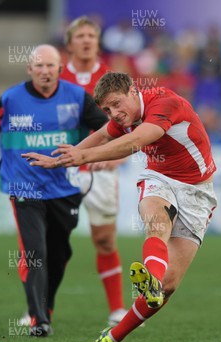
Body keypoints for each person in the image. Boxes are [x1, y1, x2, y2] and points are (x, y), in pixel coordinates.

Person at [22, 71, 218, 342]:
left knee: (168, 286)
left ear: (132, 90)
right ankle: (150, 278)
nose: (114, 114)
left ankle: (111, 338)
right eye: (107, 110)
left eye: (116, 104)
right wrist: (64, 158)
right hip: (159, 179)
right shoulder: (122, 117)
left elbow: (135, 142)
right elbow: (102, 134)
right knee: (157, 222)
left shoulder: (164, 103)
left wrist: (83, 158)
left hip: (198, 193)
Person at [0, 44, 109, 336]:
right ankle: (39, 320)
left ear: (60, 69)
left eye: (51, 66)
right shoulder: (10, 99)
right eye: (39, 66)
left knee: (59, 255)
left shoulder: (76, 98)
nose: (45, 72)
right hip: (24, 188)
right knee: (35, 251)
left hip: (64, 188)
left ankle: (44, 307)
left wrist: (107, 156)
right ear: (29, 70)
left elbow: (108, 130)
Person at [60, 16, 127, 326]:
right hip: (60, 169)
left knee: (104, 240)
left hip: (100, 170)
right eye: (80, 36)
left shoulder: (112, 78)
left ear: (98, 41)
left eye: (92, 35)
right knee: (47, 242)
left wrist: (117, 158)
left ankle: (116, 309)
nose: (86, 40)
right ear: (70, 42)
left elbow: (131, 124)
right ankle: (39, 312)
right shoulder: (55, 74)